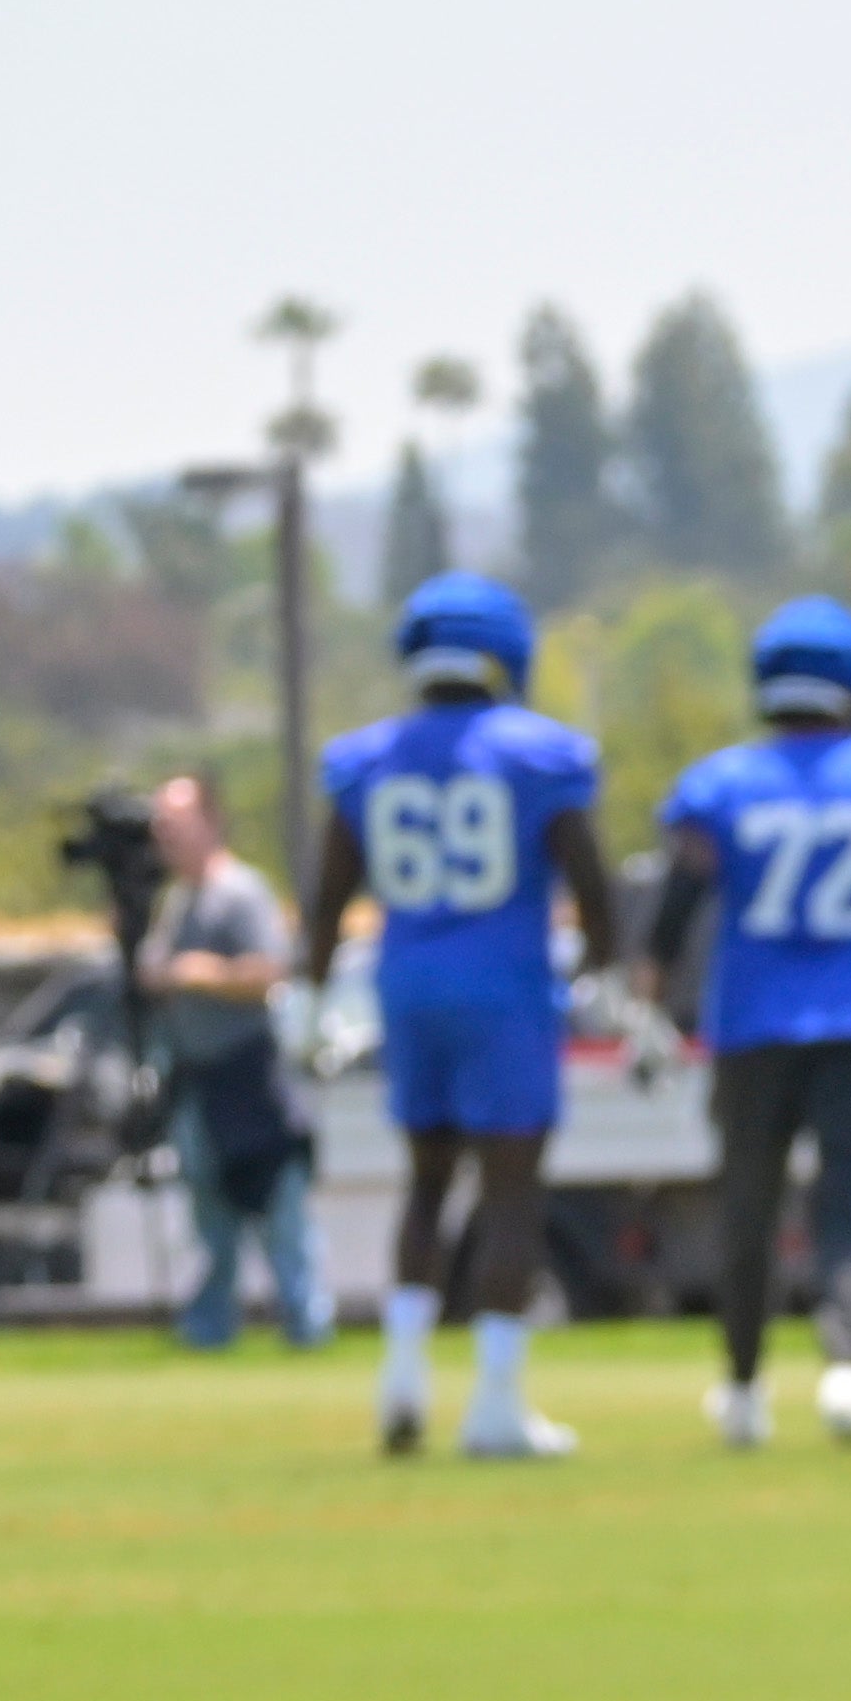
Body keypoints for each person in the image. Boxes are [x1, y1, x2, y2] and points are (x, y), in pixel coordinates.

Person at [642, 597, 851, 1451]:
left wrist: (647, 992)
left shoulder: (722, 783)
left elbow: (677, 902)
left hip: (753, 1020)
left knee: (747, 1200)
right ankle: (848, 1369)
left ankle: (743, 1389)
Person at [307, 574, 612, 1457]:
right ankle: (496, 1404)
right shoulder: (536, 752)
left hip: (405, 983)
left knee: (426, 1181)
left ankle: (401, 1377)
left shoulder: (367, 756)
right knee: (510, 1194)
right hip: (505, 985)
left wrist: (313, 994)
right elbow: (590, 884)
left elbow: (328, 897)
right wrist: (602, 970)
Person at [137, 771, 328, 1350]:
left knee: (279, 1207)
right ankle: (210, 1327)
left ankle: (306, 1322)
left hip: (249, 1076)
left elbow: (272, 970)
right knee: (208, 1214)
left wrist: (203, 973)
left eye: (179, 823)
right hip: (197, 1079)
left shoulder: (240, 892)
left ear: (212, 823)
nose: (167, 837)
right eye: (160, 827)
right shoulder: (175, 899)